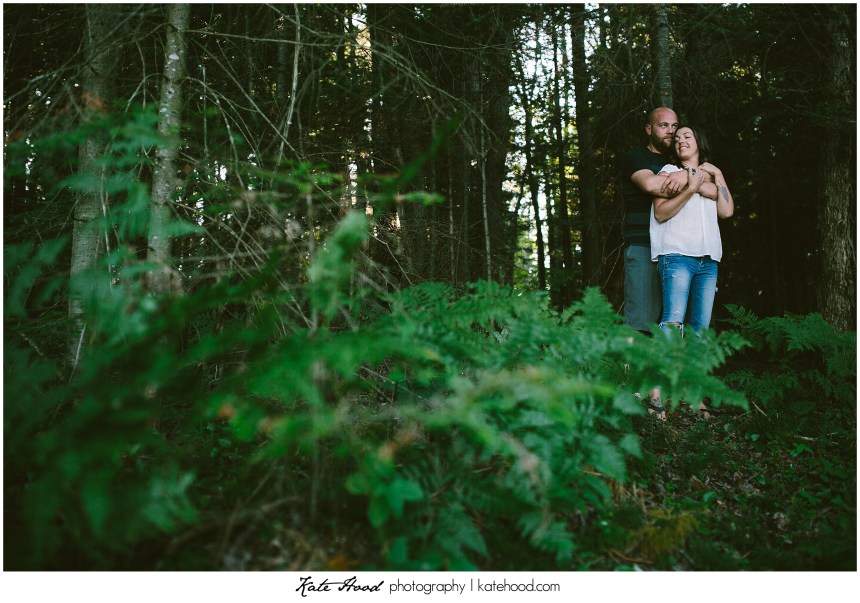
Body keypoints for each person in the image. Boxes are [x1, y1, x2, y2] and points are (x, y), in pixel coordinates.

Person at [620, 108, 717, 419]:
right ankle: (635, 389)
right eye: (664, 126)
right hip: (643, 245)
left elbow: (714, 200)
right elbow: (652, 187)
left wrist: (692, 178)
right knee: (642, 319)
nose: (670, 132)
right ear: (649, 128)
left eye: (675, 127)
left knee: (672, 320)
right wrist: (695, 179)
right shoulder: (637, 158)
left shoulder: (677, 165)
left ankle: (665, 390)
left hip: (677, 250)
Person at [650, 125, 734, 417]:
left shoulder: (711, 176)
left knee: (700, 329)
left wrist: (717, 176)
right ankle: (656, 391)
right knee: (673, 322)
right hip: (676, 255)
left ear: (699, 142)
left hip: (708, 259)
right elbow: (660, 213)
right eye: (677, 138)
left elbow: (727, 211)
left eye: (687, 136)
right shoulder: (667, 172)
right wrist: (692, 187)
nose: (681, 140)